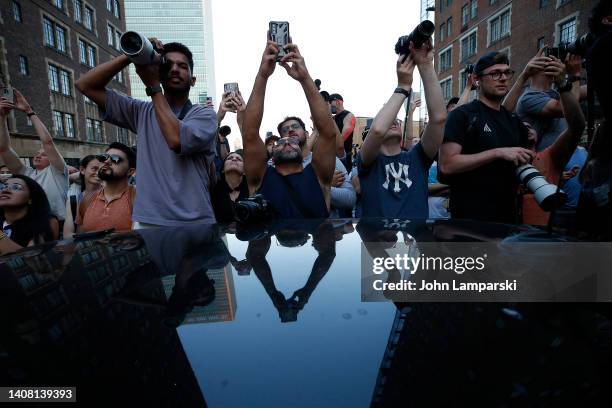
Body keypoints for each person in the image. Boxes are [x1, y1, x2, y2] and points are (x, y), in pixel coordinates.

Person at [75, 39, 218, 228]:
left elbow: (176, 140)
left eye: (182, 66)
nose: (175, 69)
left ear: (193, 80)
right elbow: (85, 85)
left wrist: (153, 86)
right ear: (159, 71)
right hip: (150, 222)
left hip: (195, 221)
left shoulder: (205, 115)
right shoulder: (141, 111)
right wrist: (133, 55)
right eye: (168, 64)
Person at [241, 34, 337, 219]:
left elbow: (327, 133)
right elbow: (250, 134)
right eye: (281, 140)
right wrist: (263, 74)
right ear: (272, 157)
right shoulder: (260, 177)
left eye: (292, 140)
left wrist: (304, 78)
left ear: (303, 154)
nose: (286, 141)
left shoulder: (318, 176)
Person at [439, 52, 534, 224]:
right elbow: (446, 165)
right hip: (470, 223)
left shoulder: (513, 120)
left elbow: (525, 159)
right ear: (477, 80)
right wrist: (497, 152)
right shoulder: (462, 115)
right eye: (495, 73)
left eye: (506, 73)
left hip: (508, 221)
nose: (503, 78)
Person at [357, 39, 446, 219]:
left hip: (414, 243)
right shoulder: (368, 161)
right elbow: (377, 131)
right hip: (378, 243)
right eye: (388, 117)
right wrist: (403, 86)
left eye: (396, 118)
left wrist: (426, 64)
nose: (394, 121)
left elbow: (439, 119)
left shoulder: (417, 158)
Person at [517, 56, 586, 226]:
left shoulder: (547, 157)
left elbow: (575, 118)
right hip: (516, 232)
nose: (526, 127)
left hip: (546, 229)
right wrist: (572, 77)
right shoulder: (528, 98)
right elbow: (567, 106)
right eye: (521, 125)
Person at [0, 89, 69, 223]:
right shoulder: (26, 173)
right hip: (31, 227)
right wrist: (2, 118)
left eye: (43, 155)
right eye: (36, 154)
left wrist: (29, 111)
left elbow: (48, 142)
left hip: (57, 226)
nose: (37, 156)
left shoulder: (57, 171)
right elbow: (4, 149)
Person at [514, 49, 583, 151]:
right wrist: (575, 75)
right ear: (535, 67)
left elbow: (580, 91)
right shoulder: (528, 97)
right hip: (544, 163)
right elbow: (566, 108)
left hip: (563, 160)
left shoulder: (554, 93)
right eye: (547, 58)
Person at [76, 143, 136, 233]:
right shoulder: (87, 200)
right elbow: (80, 239)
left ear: (130, 171)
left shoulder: (137, 199)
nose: (107, 161)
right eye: (103, 157)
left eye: (116, 159)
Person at [0, 175, 58, 254]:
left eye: (16, 187)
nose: (5, 190)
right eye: (2, 187)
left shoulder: (45, 223)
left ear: (30, 197)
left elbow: (32, 261)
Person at [63, 155, 102, 238]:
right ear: (82, 170)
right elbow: (67, 234)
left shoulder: (111, 195)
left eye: (102, 170)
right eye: (94, 168)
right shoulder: (74, 199)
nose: (98, 173)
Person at [211, 151, 249, 223]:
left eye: (239, 159)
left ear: (245, 171)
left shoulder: (252, 190)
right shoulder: (213, 189)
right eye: (229, 158)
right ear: (223, 170)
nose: (234, 159)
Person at [329, 93, 356, 169]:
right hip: (331, 157)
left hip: (344, 157)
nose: (329, 105)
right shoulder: (332, 118)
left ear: (338, 101)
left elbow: (341, 140)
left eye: (330, 102)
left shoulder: (348, 116)